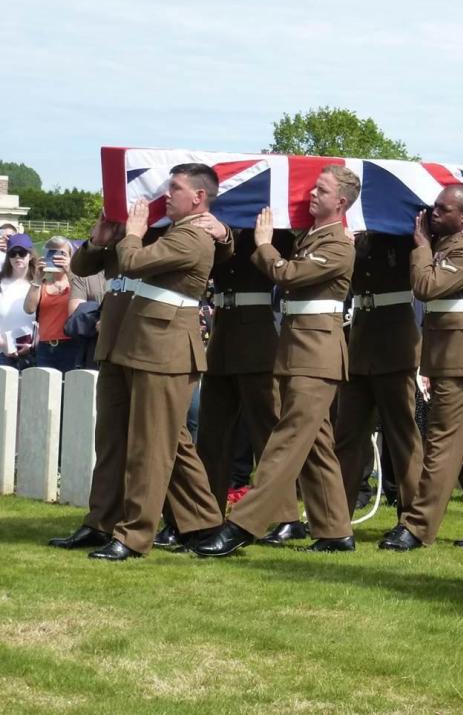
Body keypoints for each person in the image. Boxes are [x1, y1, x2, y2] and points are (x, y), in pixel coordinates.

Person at [196, 166, 360, 557]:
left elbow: (288, 274)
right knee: (316, 444)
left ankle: (242, 525)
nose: (310, 196)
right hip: (298, 350)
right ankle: (336, 531)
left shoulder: (338, 244)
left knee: (286, 442)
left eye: (320, 191)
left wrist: (265, 243)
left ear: (339, 203)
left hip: (316, 355)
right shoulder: (311, 237)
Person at [87, 164, 225, 560]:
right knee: (170, 442)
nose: (167, 193)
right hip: (147, 345)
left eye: (175, 188)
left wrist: (133, 232)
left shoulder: (193, 237)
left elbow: (132, 262)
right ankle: (204, 523)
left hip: (165, 350)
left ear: (198, 197)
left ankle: (134, 535)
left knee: (149, 447)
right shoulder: (181, 230)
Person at [379, 184, 463, 552]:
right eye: (434, 206)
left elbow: (426, 286)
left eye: (444, 209)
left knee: (441, 442)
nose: (434, 213)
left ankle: (418, 526)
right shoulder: (449, 245)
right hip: (447, 353)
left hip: (461, 358)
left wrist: (420, 247)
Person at [194, 228, 304, 544]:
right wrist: (222, 233)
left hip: (258, 333)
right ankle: (205, 513)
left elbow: (279, 265)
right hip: (223, 331)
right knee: (212, 434)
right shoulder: (220, 227)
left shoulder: (275, 227)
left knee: (267, 432)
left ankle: (286, 516)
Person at [334, 231, 423, 521]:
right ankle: (336, 516)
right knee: (348, 434)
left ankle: (411, 518)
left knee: (402, 435)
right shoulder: (355, 236)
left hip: (395, 342)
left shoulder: (402, 233)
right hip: (360, 341)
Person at [24, 236, 82, 372]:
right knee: (45, 389)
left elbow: (81, 305)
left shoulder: (77, 284)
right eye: (52, 254)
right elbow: (29, 308)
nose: (56, 259)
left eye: (61, 255)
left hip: (72, 345)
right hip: (45, 348)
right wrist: (38, 278)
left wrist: (69, 271)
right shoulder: (42, 285)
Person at [0, 233, 37, 368]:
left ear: (30, 255)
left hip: (31, 352)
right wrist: (4, 344)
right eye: (13, 253)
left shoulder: (39, 284)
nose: (17, 257)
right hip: (2, 353)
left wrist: (34, 343)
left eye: (22, 253)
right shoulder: (1, 282)